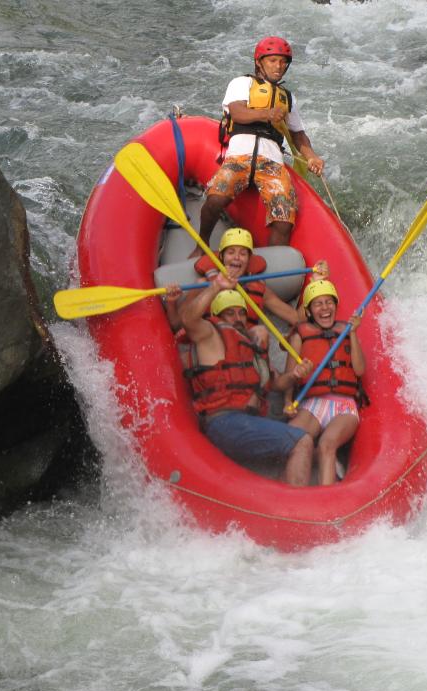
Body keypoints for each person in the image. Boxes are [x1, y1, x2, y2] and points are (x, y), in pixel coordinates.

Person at [189, 36, 325, 259]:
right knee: (215, 200)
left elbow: (298, 135)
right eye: (272, 61)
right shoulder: (242, 83)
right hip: (239, 156)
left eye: (283, 62)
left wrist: (312, 157)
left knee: (283, 219)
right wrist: (266, 114)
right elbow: (237, 112)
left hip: (271, 162)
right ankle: (201, 246)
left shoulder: (288, 99)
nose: (278, 67)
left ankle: (270, 267)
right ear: (259, 62)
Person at [180, 274, 316, 485]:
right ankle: (297, 511)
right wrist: (215, 286)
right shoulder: (211, 335)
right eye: (230, 313)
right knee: (303, 441)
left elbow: (277, 383)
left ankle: (281, 499)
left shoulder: (251, 348)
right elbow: (189, 319)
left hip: (249, 423)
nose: (238, 318)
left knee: (305, 438)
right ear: (218, 315)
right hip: (225, 423)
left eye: (241, 313)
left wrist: (295, 375)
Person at [284, 280, 366, 486]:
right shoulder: (300, 335)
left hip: (344, 406)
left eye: (329, 302)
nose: (324, 308)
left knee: (327, 444)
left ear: (335, 306)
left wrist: (354, 333)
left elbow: (359, 369)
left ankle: (328, 501)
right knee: (291, 440)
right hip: (312, 404)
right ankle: (290, 495)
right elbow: (289, 375)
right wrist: (287, 402)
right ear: (310, 311)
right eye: (318, 304)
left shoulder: (347, 331)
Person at [168, 226, 328, 331]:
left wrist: (315, 285)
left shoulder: (258, 288)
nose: (237, 258)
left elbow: (296, 318)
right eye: (231, 252)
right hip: (213, 348)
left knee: (261, 333)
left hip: (246, 352)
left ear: (249, 258)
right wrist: (171, 302)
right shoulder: (203, 285)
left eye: (243, 253)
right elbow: (176, 324)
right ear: (222, 257)